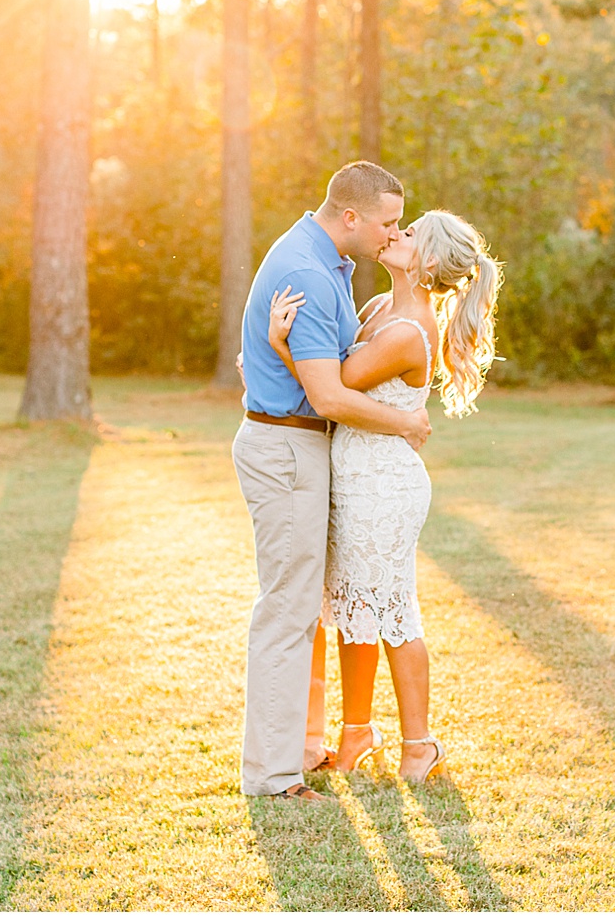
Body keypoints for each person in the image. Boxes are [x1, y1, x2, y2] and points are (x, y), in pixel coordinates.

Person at [268, 209, 502, 785]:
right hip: (350, 477)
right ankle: (357, 734)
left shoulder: (406, 332)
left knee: (393, 611)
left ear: (424, 262)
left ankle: (418, 745)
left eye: (411, 232)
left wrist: (281, 345)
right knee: (352, 610)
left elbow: (335, 385)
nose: (396, 233)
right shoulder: (377, 310)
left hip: (385, 486)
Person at [232, 161, 433, 804]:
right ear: (351, 217)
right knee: (288, 614)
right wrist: (405, 422)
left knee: (302, 611)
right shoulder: (309, 273)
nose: (392, 233)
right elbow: (327, 396)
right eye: (388, 222)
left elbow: (330, 371)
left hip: (300, 448)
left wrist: (276, 352)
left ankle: (304, 750)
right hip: (288, 449)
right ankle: (273, 776)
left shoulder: (333, 267)